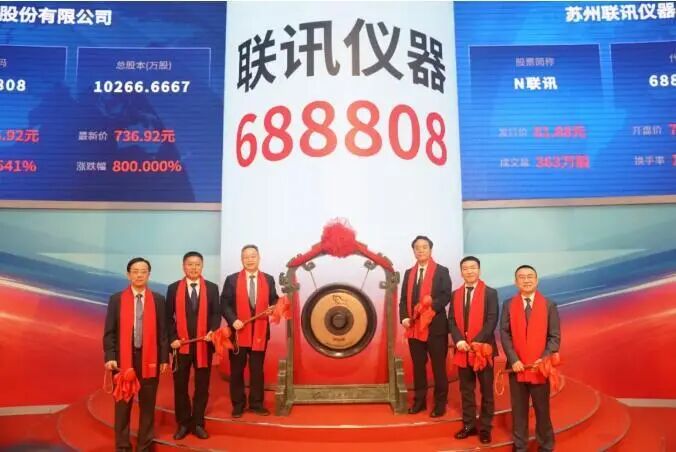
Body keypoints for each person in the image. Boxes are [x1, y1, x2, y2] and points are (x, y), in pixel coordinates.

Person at [103, 257, 169, 452]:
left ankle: (144, 446)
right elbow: (109, 331)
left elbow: (163, 333)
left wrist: (164, 359)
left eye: (143, 271)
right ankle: (123, 446)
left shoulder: (158, 300)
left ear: (149, 274)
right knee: (123, 405)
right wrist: (110, 356)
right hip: (123, 360)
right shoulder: (117, 299)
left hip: (150, 359)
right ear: (128, 274)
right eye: (135, 271)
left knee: (148, 406)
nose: (139, 275)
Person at [501, 265, 561, 452]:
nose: (526, 280)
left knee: (542, 410)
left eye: (530, 277)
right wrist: (514, 359)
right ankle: (520, 446)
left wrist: (543, 358)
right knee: (518, 410)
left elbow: (554, 337)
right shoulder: (508, 305)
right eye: (522, 277)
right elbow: (505, 334)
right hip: (517, 367)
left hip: (540, 368)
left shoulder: (549, 305)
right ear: (515, 281)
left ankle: (546, 446)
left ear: (536, 280)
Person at [166, 251, 221, 440]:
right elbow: (168, 317)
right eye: (190, 264)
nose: (194, 268)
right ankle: (183, 423)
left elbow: (216, 314)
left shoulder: (212, 288)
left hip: (204, 345)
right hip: (180, 346)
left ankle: (197, 423)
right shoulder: (173, 288)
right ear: (183, 266)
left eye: (197, 264)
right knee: (180, 386)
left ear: (202, 266)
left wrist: (213, 330)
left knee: (202, 386)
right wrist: (172, 338)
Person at [220, 244, 279, 418]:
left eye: (253, 256)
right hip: (238, 333)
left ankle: (256, 404)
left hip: (260, 332)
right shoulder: (232, 279)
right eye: (246, 257)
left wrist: (273, 307)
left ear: (259, 258)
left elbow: (274, 299)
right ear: (241, 259)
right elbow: (224, 303)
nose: (249, 259)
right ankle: (238, 404)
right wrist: (233, 320)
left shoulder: (268, 279)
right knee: (237, 371)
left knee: (257, 370)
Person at [399, 235, 453, 417]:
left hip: (435, 327)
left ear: (430, 249)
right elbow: (403, 299)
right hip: (414, 328)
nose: (421, 250)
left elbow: (446, 295)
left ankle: (440, 403)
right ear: (413, 251)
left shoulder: (442, 271)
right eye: (417, 247)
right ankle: (419, 402)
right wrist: (404, 318)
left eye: (424, 247)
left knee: (438, 367)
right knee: (418, 367)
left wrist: (429, 309)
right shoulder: (409, 273)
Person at [448, 256, 499, 444]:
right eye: (465, 268)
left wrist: (476, 342)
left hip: (483, 350)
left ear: (479, 270)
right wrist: (459, 340)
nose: (469, 271)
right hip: (462, 349)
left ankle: (485, 428)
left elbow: (492, 320)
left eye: (473, 267)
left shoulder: (490, 293)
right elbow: (451, 320)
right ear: (461, 272)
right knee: (466, 390)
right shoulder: (455, 294)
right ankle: (469, 425)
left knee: (486, 391)